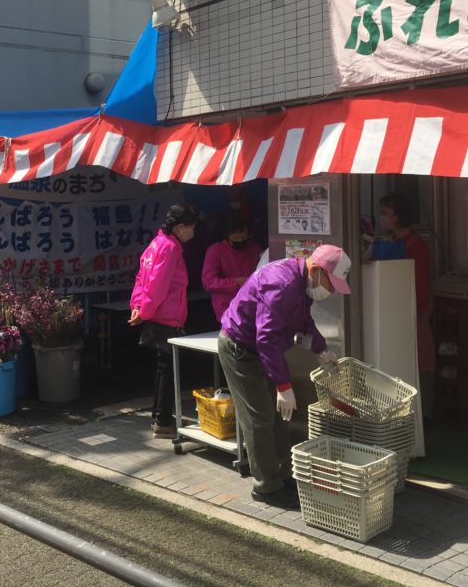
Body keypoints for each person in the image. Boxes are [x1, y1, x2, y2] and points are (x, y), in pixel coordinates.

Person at [218, 244, 349, 508]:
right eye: (332, 284)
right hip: (240, 350)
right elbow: (266, 338)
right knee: (259, 418)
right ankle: (266, 486)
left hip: (262, 350)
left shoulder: (301, 282)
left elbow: (303, 321)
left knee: (278, 416)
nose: (332, 291)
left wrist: (321, 349)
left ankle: (282, 475)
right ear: (316, 270)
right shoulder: (282, 284)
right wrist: (283, 385)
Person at [128, 203, 198, 438]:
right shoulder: (169, 248)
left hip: (157, 314)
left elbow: (141, 278)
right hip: (167, 316)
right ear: (179, 227)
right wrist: (143, 311)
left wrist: (138, 306)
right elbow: (158, 287)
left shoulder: (156, 244)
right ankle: (163, 420)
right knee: (168, 370)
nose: (193, 233)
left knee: (162, 368)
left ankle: (158, 417)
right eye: (191, 228)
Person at [376, 191, 434, 417]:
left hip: (414, 312)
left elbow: (420, 283)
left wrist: (414, 310)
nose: (382, 217)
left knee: (420, 362)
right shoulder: (390, 241)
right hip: (393, 312)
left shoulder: (416, 245)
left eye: (386, 213)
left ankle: (423, 414)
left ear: (399, 216)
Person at [201, 214, 261, 323]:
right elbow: (208, 282)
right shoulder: (215, 251)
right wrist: (236, 282)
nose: (240, 239)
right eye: (235, 237)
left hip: (253, 308)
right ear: (227, 235)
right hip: (226, 310)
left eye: (243, 235)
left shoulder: (255, 248)